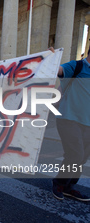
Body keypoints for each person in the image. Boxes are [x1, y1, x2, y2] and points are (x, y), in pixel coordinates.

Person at [49, 47, 90, 202]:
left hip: (88, 123)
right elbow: (59, 70)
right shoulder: (77, 66)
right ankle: (59, 184)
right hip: (69, 119)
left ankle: (68, 187)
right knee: (75, 154)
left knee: (82, 158)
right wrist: (50, 59)